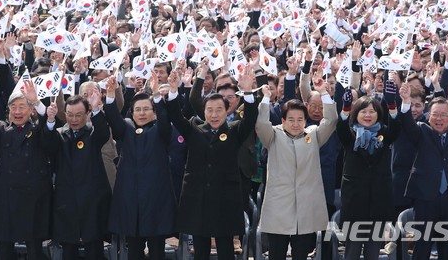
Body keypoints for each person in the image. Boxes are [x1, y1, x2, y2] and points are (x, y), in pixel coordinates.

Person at [166, 65, 257, 259]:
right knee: (200, 250)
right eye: (210, 110)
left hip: (226, 198)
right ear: (204, 112)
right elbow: (175, 115)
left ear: (227, 111)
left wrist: (248, 91)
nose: (214, 115)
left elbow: (250, 119)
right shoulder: (194, 128)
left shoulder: (234, 130)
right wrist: (174, 90)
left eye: (218, 110)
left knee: (226, 250)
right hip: (198, 198)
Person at [256, 77, 337, 260]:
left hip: (306, 209)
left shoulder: (314, 134)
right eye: (290, 119)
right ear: (283, 120)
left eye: (300, 119)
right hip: (279, 208)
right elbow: (261, 124)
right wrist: (266, 98)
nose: (295, 123)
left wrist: (323, 92)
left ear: (305, 120)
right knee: (276, 255)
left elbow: (331, 120)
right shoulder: (274, 135)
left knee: (301, 255)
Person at [399, 82, 448, 260]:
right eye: (435, 115)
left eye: (443, 115)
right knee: (422, 246)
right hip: (425, 199)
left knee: (447, 247)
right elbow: (407, 122)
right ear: (428, 116)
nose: (439, 119)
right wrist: (405, 101)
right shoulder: (421, 132)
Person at [104, 75, 176, 260]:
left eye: (146, 109)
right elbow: (114, 120)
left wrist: (157, 96)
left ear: (154, 111)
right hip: (131, 200)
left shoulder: (160, 129)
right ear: (132, 113)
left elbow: (166, 121)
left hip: (156, 201)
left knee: (157, 250)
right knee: (134, 250)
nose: (142, 113)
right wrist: (110, 94)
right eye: (138, 110)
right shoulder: (126, 129)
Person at [0, 81, 52, 260]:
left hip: (32, 197)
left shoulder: (37, 130)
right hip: (6, 197)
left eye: (22, 107)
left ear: (30, 111)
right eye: (14, 107)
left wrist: (37, 102)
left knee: (34, 248)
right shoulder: (2, 129)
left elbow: (49, 130)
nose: (17, 112)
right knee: (4, 249)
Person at [336, 81, 401, 260]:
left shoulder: (384, 134)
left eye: (372, 111)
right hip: (354, 203)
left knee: (373, 253)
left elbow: (396, 129)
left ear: (378, 114)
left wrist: (392, 106)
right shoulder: (350, 135)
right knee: (352, 253)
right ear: (356, 114)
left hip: (378, 203)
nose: (368, 115)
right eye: (363, 111)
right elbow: (340, 129)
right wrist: (345, 109)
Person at [45, 91, 112, 260]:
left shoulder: (92, 134)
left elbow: (103, 133)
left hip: (92, 199)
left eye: (79, 115)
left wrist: (97, 109)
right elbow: (48, 145)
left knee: (93, 247)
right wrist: (50, 120)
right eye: (70, 115)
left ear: (87, 114)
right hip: (67, 200)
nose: (74, 119)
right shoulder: (60, 134)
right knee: (69, 247)